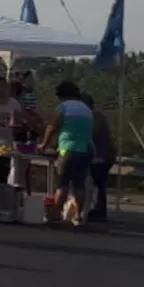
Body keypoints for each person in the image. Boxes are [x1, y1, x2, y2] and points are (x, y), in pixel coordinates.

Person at [40, 81, 95, 228]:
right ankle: (78, 216)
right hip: (86, 149)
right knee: (79, 184)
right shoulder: (86, 109)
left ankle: (55, 215)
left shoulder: (63, 107)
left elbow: (52, 127)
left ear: (61, 95)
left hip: (67, 149)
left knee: (62, 183)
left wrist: (44, 144)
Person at [0, 75, 31, 186]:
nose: (2, 90)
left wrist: (23, 124)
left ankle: (1, 197)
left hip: (5, 142)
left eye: (4, 87)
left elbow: (22, 117)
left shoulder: (13, 103)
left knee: (3, 170)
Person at [81, 93, 117, 223]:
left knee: (96, 182)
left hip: (101, 155)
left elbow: (93, 133)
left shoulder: (94, 115)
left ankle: (98, 210)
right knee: (98, 183)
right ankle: (98, 209)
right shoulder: (95, 115)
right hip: (101, 154)